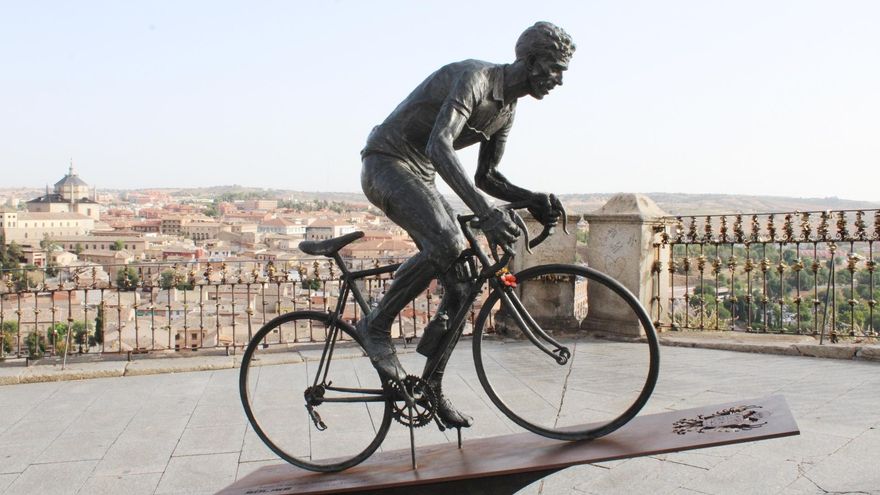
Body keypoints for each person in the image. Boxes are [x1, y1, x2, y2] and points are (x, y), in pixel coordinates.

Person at [358, 21, 575, 429]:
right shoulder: (476, 78)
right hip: (386, 162)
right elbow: (439, 144)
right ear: (529, 61)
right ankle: (376, 323)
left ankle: (431, 387)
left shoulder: (507, 110)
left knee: (464, 279)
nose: (559, 80)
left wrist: (532, 199)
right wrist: (488, 214)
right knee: (446, 244)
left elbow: (487, 178)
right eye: (555, 68)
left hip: (418, 172)